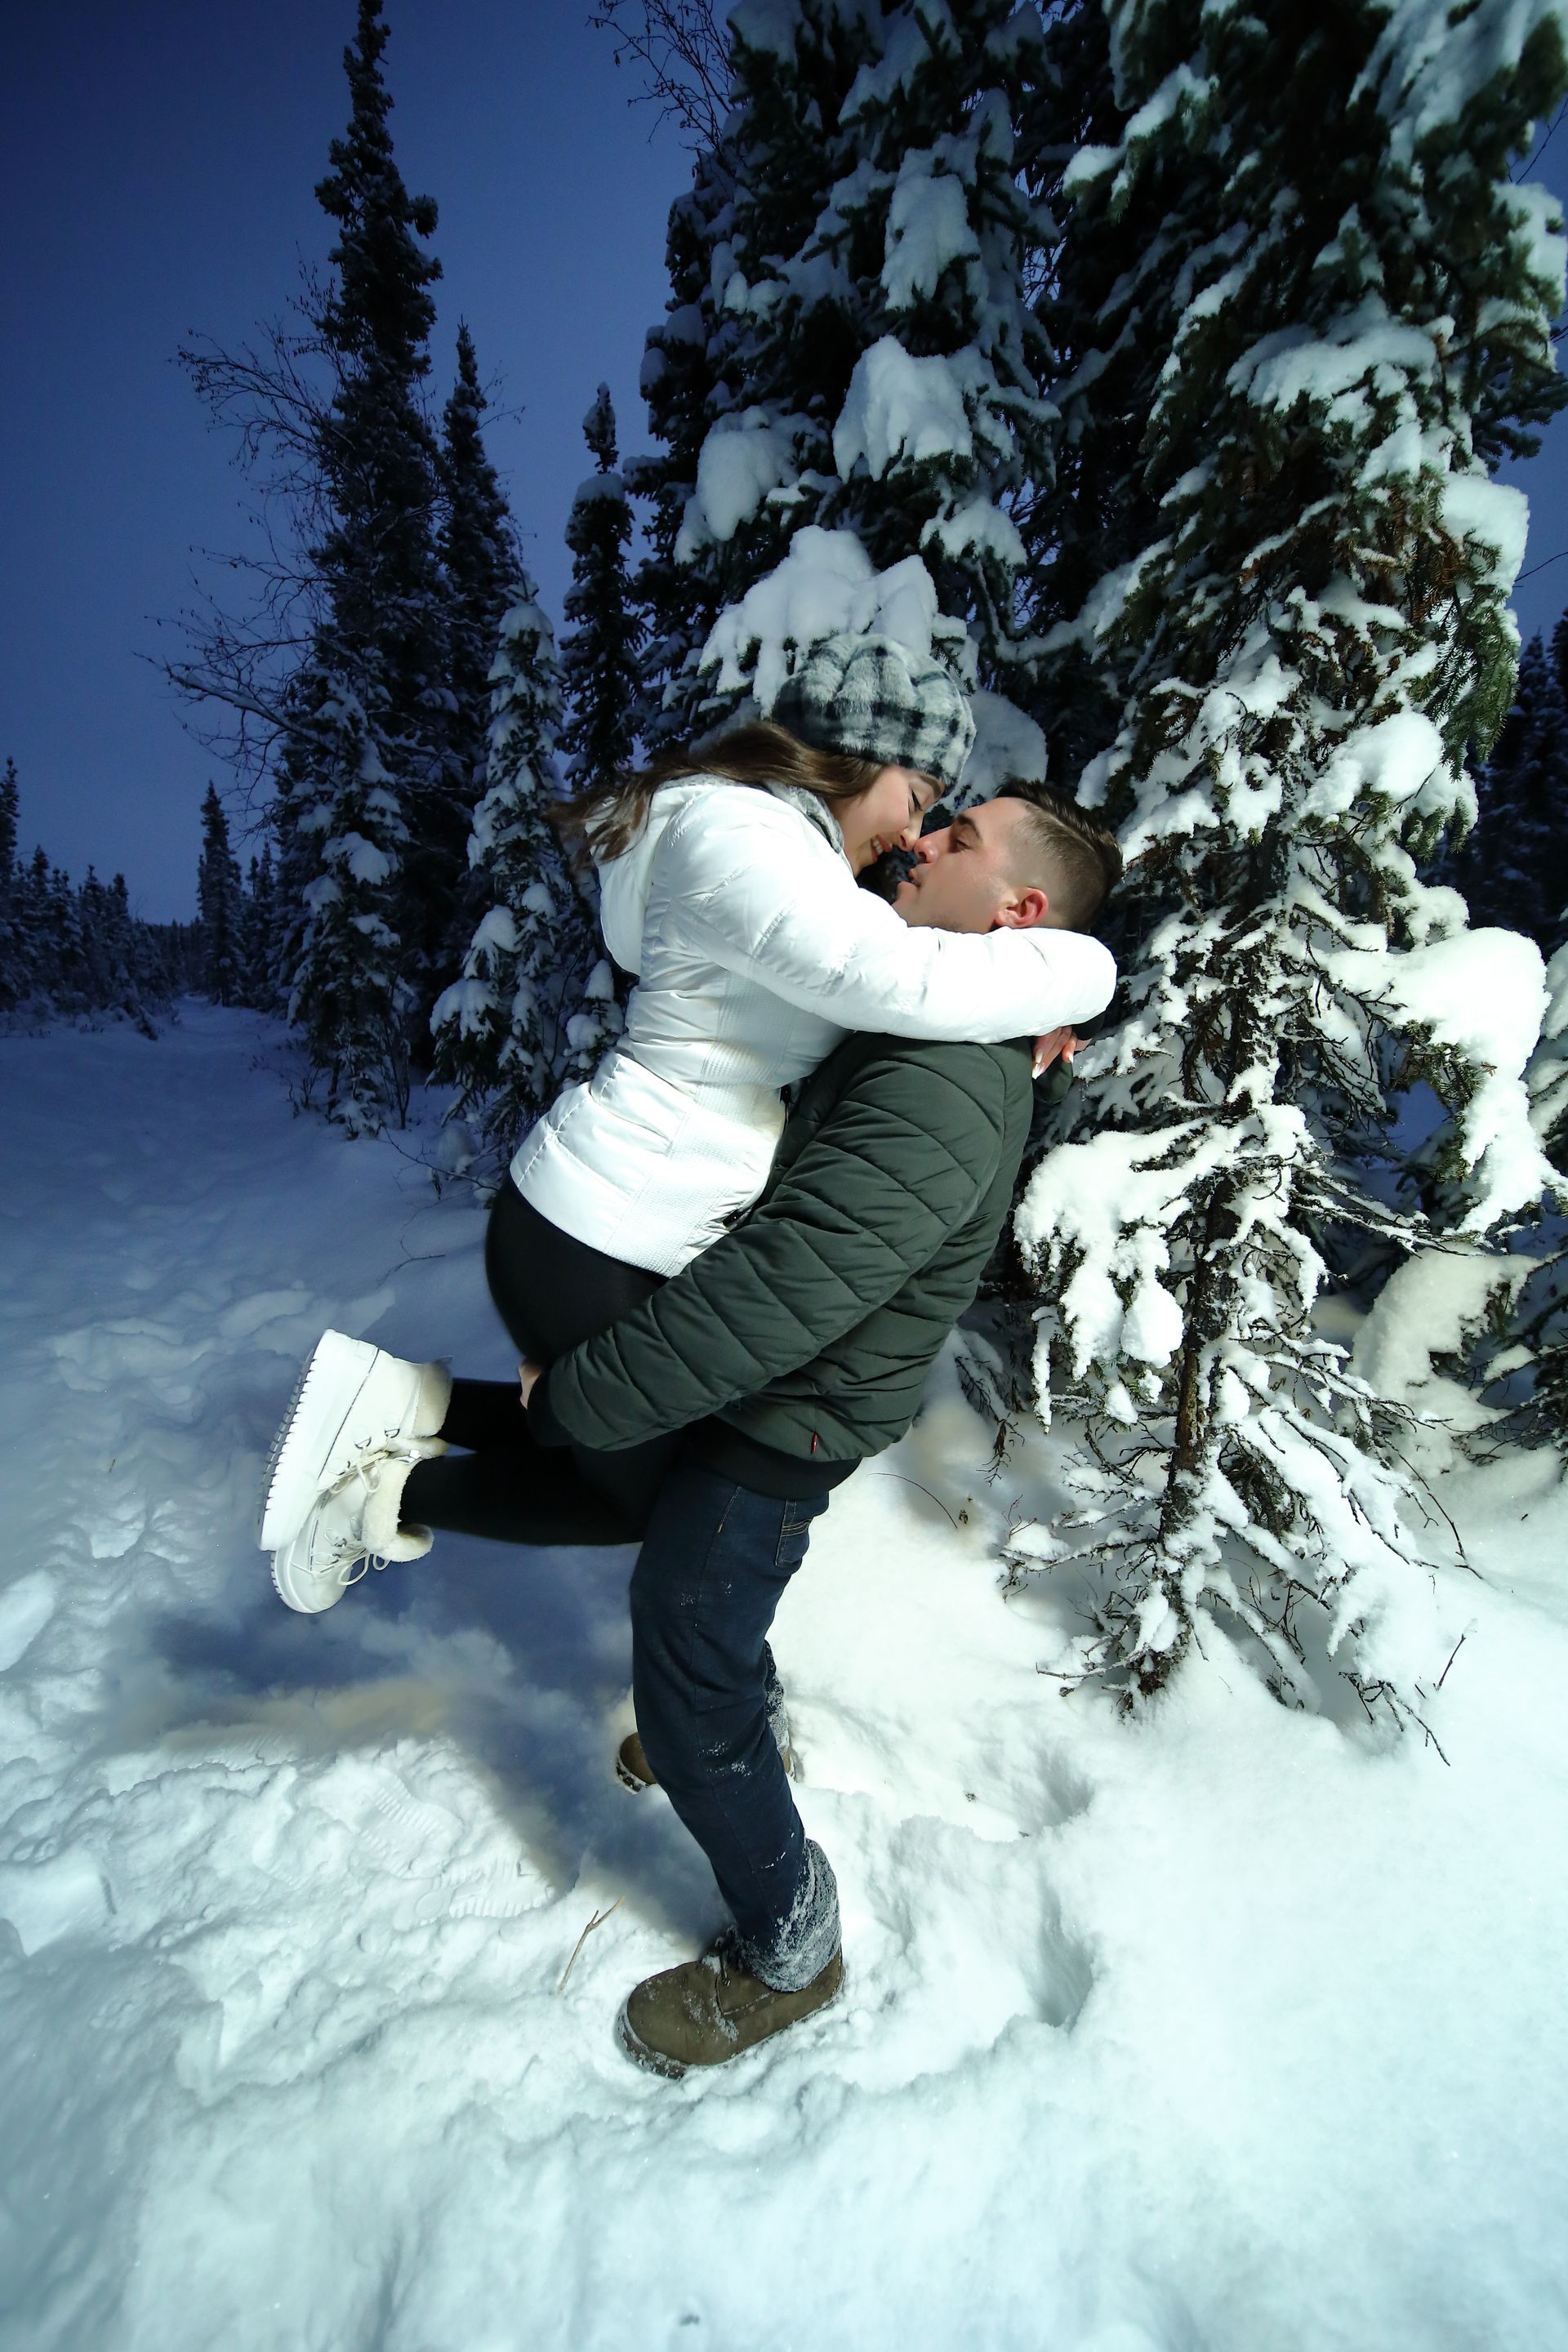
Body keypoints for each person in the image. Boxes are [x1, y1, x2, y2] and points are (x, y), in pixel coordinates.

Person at [261, 778, 1123, 2078]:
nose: (927, 843)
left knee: (686, 1647)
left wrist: (594, 1389)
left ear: (1019, 909)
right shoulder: (938, 1014)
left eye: (961, 839)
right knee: (661, 1547)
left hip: (787, 1419)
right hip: (773, 1387)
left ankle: (791, 1943)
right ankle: (425, 1462)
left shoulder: (949, 1074)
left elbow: (787, 1288)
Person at [257, 635, 1116, 1575]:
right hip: (604, 1223)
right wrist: (1082, 973)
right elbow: (890, 976)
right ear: (859, 758)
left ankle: (403, 1406)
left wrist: (1023, 1007)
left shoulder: (793, 859)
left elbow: (896, 982)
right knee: (638, 1491)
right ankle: (370, 1499)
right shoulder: (744, 839)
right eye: (916, 799)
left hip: (626, 1216)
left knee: (628, 1451)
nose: (915, 835)